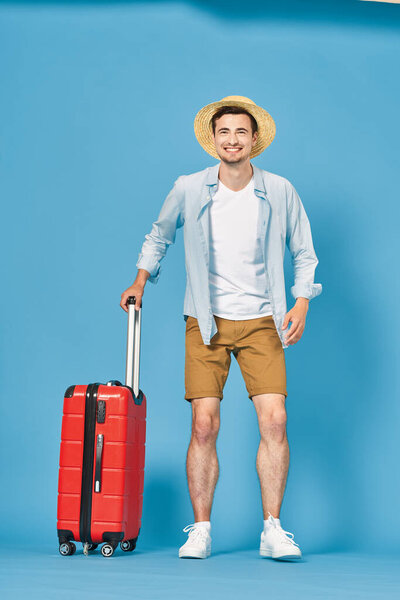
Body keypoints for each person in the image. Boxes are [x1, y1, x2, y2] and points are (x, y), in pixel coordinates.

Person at [120, 96, 322, 561]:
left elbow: (304, 252)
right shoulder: (189, 188)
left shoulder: (280, 190)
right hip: (205, 322)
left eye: (241, 132)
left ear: (254, 140)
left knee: (275, 420)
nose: (232, 140)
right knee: (204, 425)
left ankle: (272, 529)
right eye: (224, 132)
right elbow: (159, 234)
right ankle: (202, 530)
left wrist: (301, 303)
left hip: (262, 322)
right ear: (214, 140)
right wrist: (139, 282)